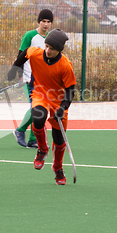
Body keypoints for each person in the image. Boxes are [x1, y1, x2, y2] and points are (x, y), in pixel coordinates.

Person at [7, 29, 76, 185]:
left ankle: (57, 168)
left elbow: (70, 90)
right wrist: (14, 68)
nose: (48, 50)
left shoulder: (65, 65)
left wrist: (63, 107)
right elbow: (24, 53)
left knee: (59, 140)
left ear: (59, 50)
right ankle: (42, 149)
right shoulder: (36, 53)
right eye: (47, 46)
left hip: (58, 101)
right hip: (40, 94)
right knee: (37, 116)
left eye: (52, 48)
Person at [13, 9, 54, 148]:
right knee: (36, 108)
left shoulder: (51, 38)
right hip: (28, 78)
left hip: (43, 80)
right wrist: (19, 76)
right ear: (39, 21)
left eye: (49, 22)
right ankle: (20, 131)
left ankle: (33, 140)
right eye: (44, 21)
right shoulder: (30, 35)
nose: (46, 24)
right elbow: (21, 56)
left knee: (40, 109)